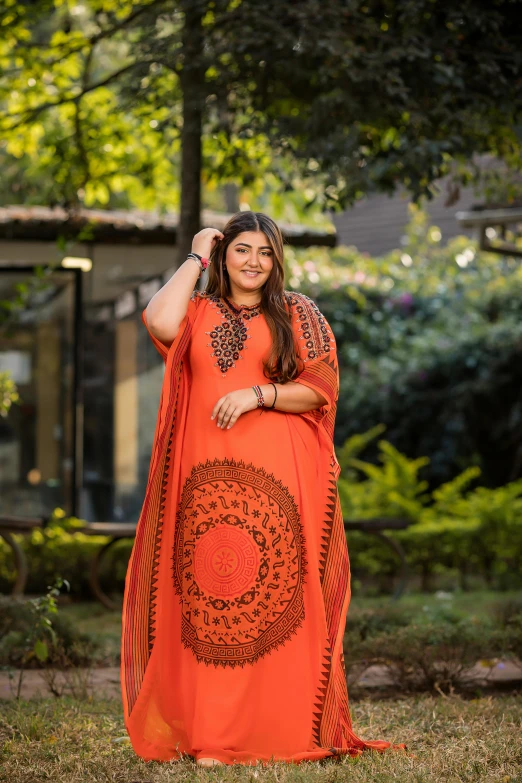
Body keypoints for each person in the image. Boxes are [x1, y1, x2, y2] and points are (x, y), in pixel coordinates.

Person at [120, 211, 406, 767]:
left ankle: (273, 731)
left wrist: (259, 395)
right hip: (203, 477)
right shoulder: (198, 310)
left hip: (280, 475)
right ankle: (211, 734)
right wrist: (197, 253)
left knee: (275, 601)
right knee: (207, 600)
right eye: (241, 250)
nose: (253, 262)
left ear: (277, 260)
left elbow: (321, 388)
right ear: (225, 256)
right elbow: (157, 320)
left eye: (265, 252)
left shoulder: (297, 312)